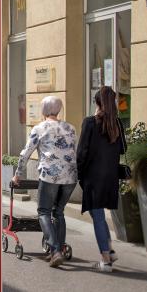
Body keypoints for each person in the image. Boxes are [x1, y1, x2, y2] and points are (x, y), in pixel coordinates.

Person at [10, 95, 78, 268]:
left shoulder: (39, 128)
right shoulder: (71, 128)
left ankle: (55, 250)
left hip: (50, 176)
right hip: (70, 177)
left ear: (44, 110)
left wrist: (17, 174)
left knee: (43, 211)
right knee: (59, 212)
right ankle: (60, 249)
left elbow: (26, 153)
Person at [76, 86, 125, 272]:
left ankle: (105, 259)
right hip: (110, 177)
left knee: (97, 216)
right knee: (99, 215)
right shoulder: (117, 123)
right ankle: (110, 251)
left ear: (97, 103)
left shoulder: (90, 122)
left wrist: (78, 174)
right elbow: (122, 150)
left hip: (93, 178)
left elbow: (81, 153)